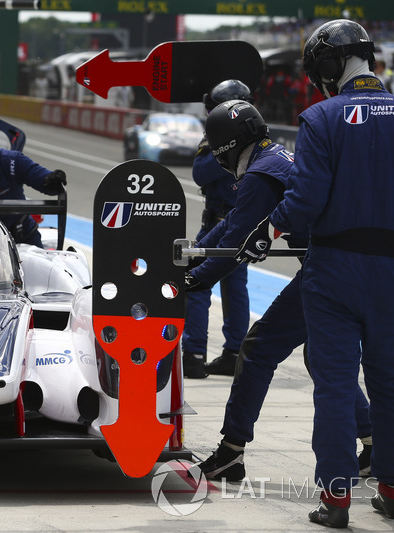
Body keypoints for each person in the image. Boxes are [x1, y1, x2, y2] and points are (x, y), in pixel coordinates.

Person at [235, 20, 394, 527]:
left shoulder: (321, 118)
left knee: (335, 384)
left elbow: (303, 201)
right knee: (390, 385)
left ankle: (336, 500)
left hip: (334, 274)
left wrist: (267, 231)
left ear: (328, 66)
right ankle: (390, 490)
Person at [189, 100, 373, 493]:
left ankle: (232, 452)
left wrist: (195, 279)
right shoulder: (275, 158)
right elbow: (233, 228)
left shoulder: (258, 176)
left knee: (257, 348)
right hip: (348, 263)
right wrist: (196, 257)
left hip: (326, 270)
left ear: (226, 146)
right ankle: (374, 445)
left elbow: (235, 241)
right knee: (318, 354)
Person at [181, 80, 252, 379]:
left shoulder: (216, 140)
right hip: (247, 224)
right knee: (236, 288)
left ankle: (194, 355)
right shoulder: (259, 138)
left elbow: (200, 173)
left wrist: (222, 144)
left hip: (221, 226)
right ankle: (235, 354)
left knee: (196, 282)